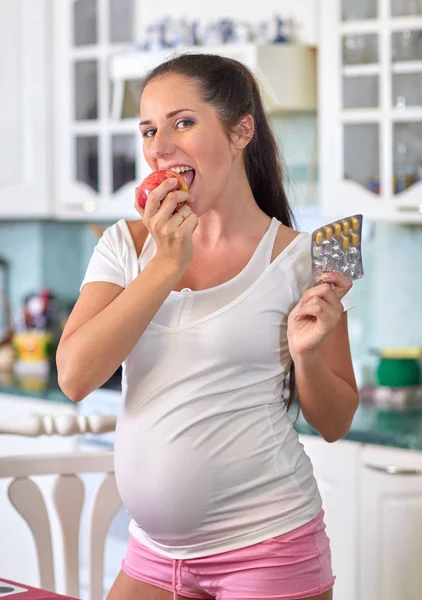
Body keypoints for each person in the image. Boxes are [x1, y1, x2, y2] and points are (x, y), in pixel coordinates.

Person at [56, 53, 359, 600]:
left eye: (183, 122)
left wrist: (308, 355)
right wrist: (166, 264)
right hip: (151, 551)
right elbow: (76, 376)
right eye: (149, 129)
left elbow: (336, 420)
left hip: (268, 547)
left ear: (242, 130)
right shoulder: (126, 245)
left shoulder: (306, 259)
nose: (159, 147)